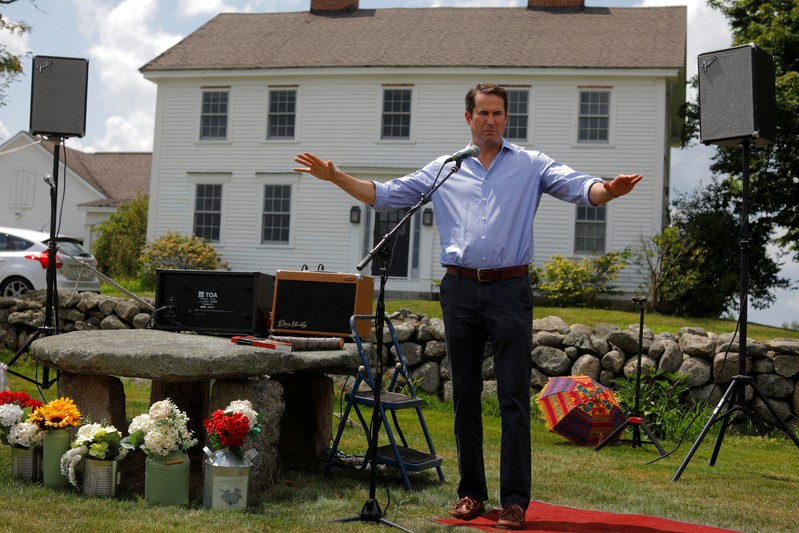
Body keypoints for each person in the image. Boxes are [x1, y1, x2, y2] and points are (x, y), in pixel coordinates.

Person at [294, 83, 642, 530]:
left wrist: (609, 190)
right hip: (458, 290)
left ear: (506, 119)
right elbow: (386, 195)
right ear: (468, 118)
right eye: (483, 113)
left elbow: (582, 189)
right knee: (464, 397)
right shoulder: (446, 168)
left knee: (513, 397)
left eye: (499, 113)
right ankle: (471, 495)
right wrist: (336, 176)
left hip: (509, 290)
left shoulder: (531, 165)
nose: (491, 120)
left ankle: (515, 502)